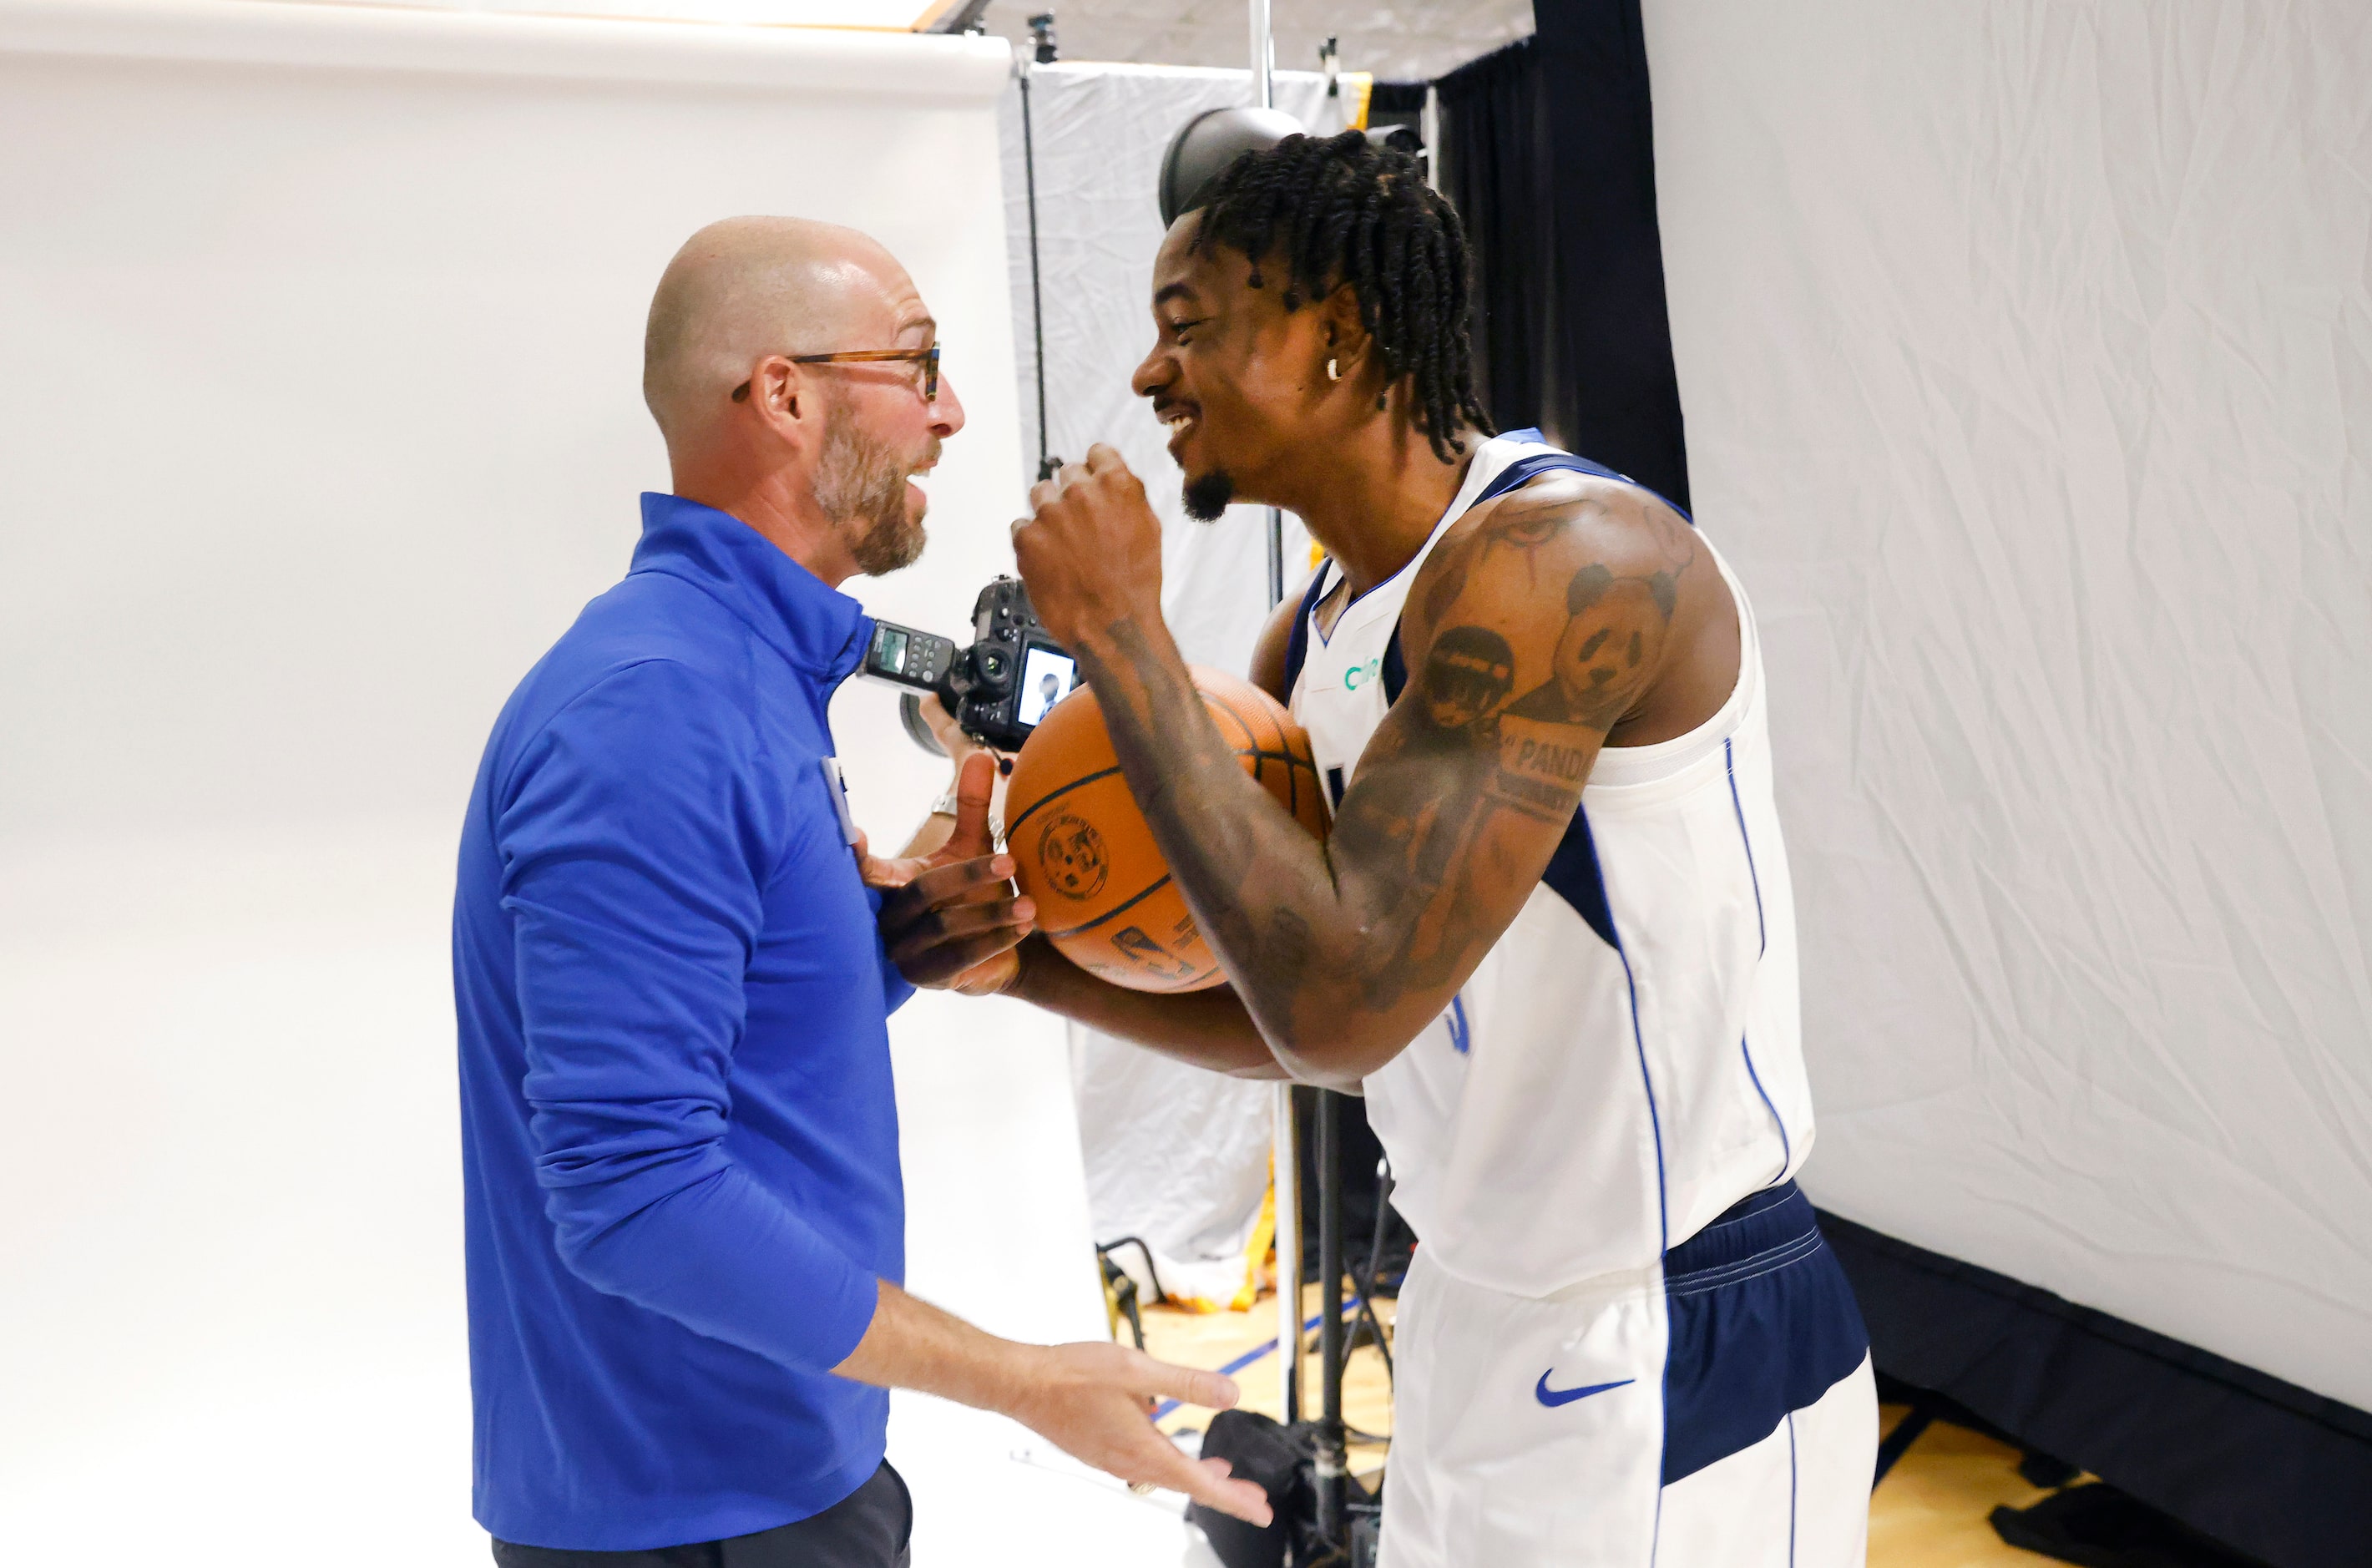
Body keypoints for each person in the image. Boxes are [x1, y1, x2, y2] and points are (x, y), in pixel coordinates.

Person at [994, 134, 1878, 1565]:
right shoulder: (1319, 629)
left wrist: (1124, 634)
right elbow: (1327, 1033)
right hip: (1473, 1307)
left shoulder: (1567, 559)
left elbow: (1338, 988)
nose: (1151, 376)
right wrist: (1022, 968)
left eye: (1188, 326)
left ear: (1336, 331)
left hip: (1665, 1315)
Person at [451, 215, 1269, 1567]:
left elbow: (717, 1031)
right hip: (694, 1519)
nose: (949, 413)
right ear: (783, 394)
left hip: (770, 1473)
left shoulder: (740, 674)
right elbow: (634, 1196)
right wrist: (1025, 1379)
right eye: (919, 363)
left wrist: (881, 946)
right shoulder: (656, 710)